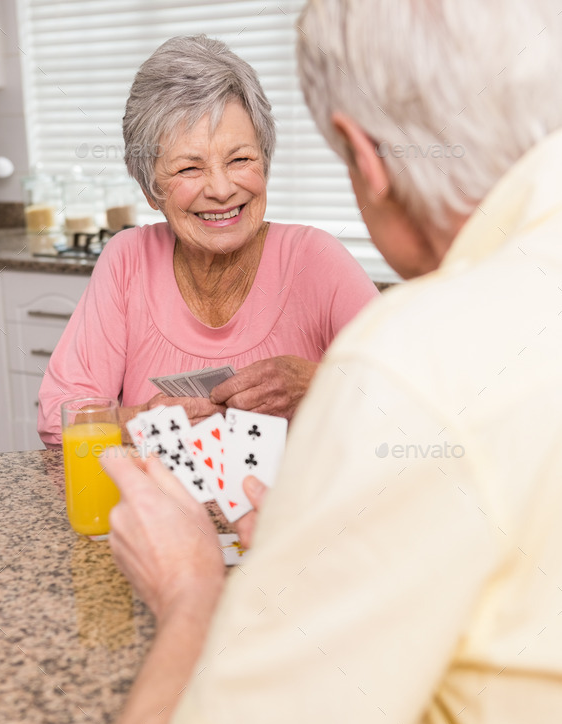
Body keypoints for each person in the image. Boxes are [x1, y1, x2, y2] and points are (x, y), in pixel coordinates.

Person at [101, 1, 562, 724]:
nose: (222, 184)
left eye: (241, 158)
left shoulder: (410, 361)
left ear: (364, 156)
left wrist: (193, 585)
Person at [37, 34, 377, 446]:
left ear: (265, 164)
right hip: (155, 509)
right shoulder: (128, 260)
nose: (220, 189)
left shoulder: (315, 258)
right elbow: (60, 419)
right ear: (150, 190)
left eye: (240, 160)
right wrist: (142, 420)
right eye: (189, 168)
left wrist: (320, 384)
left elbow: (424, 393)